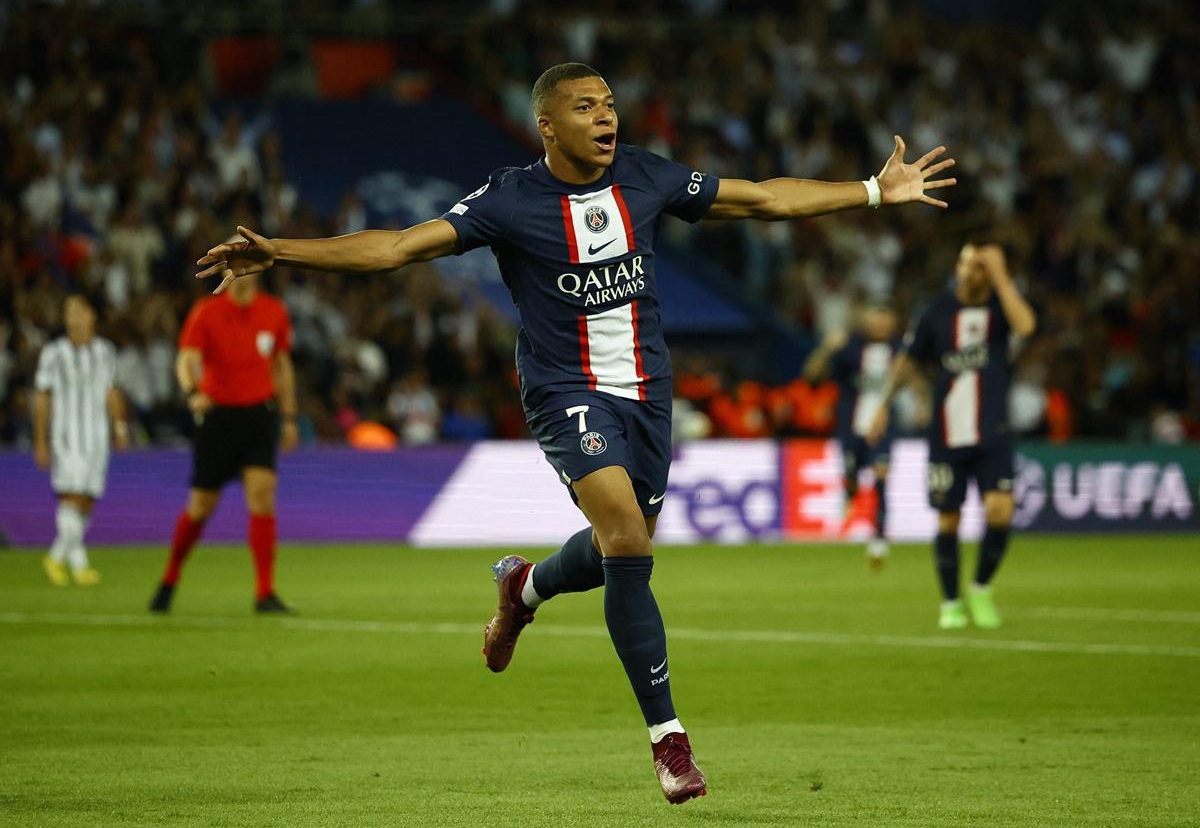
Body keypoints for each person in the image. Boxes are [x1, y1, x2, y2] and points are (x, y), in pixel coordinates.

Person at [195, 62, 956, 803]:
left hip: (649, 395)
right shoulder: (509, 199)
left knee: (619, 545)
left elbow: (761, 199)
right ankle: (668, 739)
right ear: (547, 124)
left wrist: (871, 191)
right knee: (627, 534)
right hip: (566, 392)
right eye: (586, 106)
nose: (606, 116)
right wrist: (281, 252)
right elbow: (396, 246)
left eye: (610, 103)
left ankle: (522, 587)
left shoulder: (647, 175)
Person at [868, 243, 1035, 629]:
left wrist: (1002, 276)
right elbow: (908, 361)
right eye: (964, 264)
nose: (969, 272)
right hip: (946, 434)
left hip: (993, 431)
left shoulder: (999, 309)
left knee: (1000, 509)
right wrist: (882, 404)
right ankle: (950, 602)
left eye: (978, 267)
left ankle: (980, 587)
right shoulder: (936, 313)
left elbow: (1026, 326)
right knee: (948, 520)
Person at [148, 273, 299, 614]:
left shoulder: (273, 311)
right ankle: (169, 578)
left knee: (262, 497)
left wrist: (289, 417)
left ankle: (265, 592)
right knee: (201, 506)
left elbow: (281, 365)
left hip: (259, 416)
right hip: (218, 418)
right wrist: (192, 392)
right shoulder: (206, 311)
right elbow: (187, 358)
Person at [33, 294, 130, 585]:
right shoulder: (53, 354)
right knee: (72, 496)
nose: (73, 317)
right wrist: (40, 440)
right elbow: (42, 397)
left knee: (87, 500)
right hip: (67, 437)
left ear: (92, 316)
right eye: (68, 311)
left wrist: (120, 427)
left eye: (79, 310)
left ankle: (76, 565)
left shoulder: (105, 351)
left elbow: (111, 393)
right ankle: (57, 557)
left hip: (97, 438)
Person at [803, 303, 904, 567]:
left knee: (882, 477)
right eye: (875, 315)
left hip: (882, 428)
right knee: (851, 478)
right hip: (851, 429)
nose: (880, 322)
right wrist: (827, 348)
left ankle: (879, 539)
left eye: (885, 315)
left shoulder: (900, 349)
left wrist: (923, 400)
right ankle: (849, 491)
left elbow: (914, 375)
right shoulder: (850, 348)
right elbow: (811, 375)